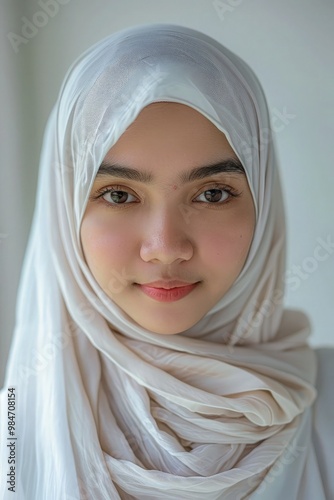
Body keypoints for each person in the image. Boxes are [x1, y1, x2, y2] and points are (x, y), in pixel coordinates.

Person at [0, 23, 333, 500]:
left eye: (213, 194)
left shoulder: (327, 418)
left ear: (264, 201)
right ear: (64, 210)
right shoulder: (14, 442)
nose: (165, 246)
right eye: (118, 194)